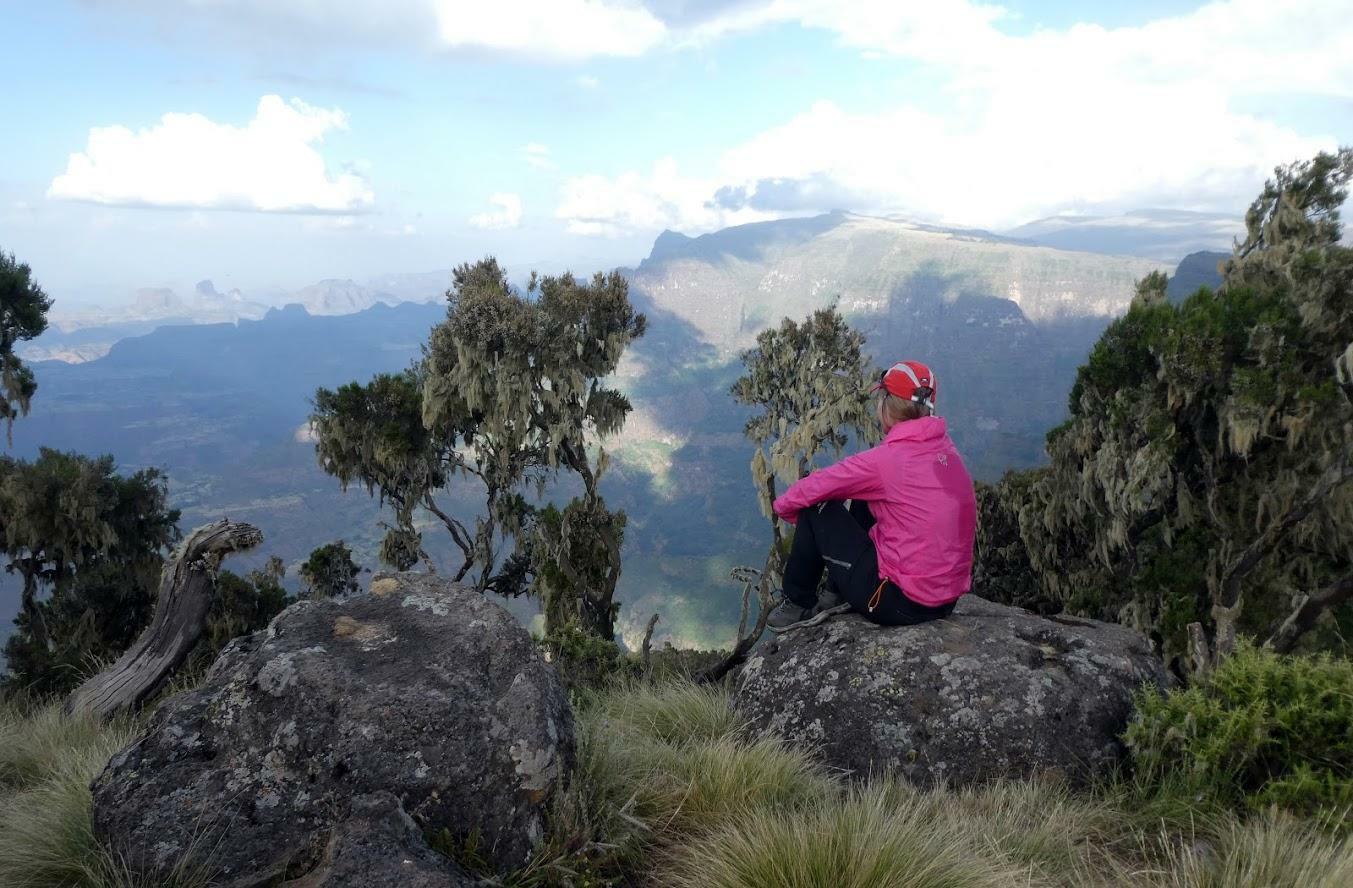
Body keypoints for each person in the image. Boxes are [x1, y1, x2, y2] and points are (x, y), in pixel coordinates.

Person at [766, 359, 977, 628]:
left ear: (886, 405)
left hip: (898, 603)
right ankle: (837, 593)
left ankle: (797, 603)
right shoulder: (948, 451)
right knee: (866, 495)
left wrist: (785, 510)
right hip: (945, 601)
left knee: (815, 505)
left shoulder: (886, 461)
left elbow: (812, 489)